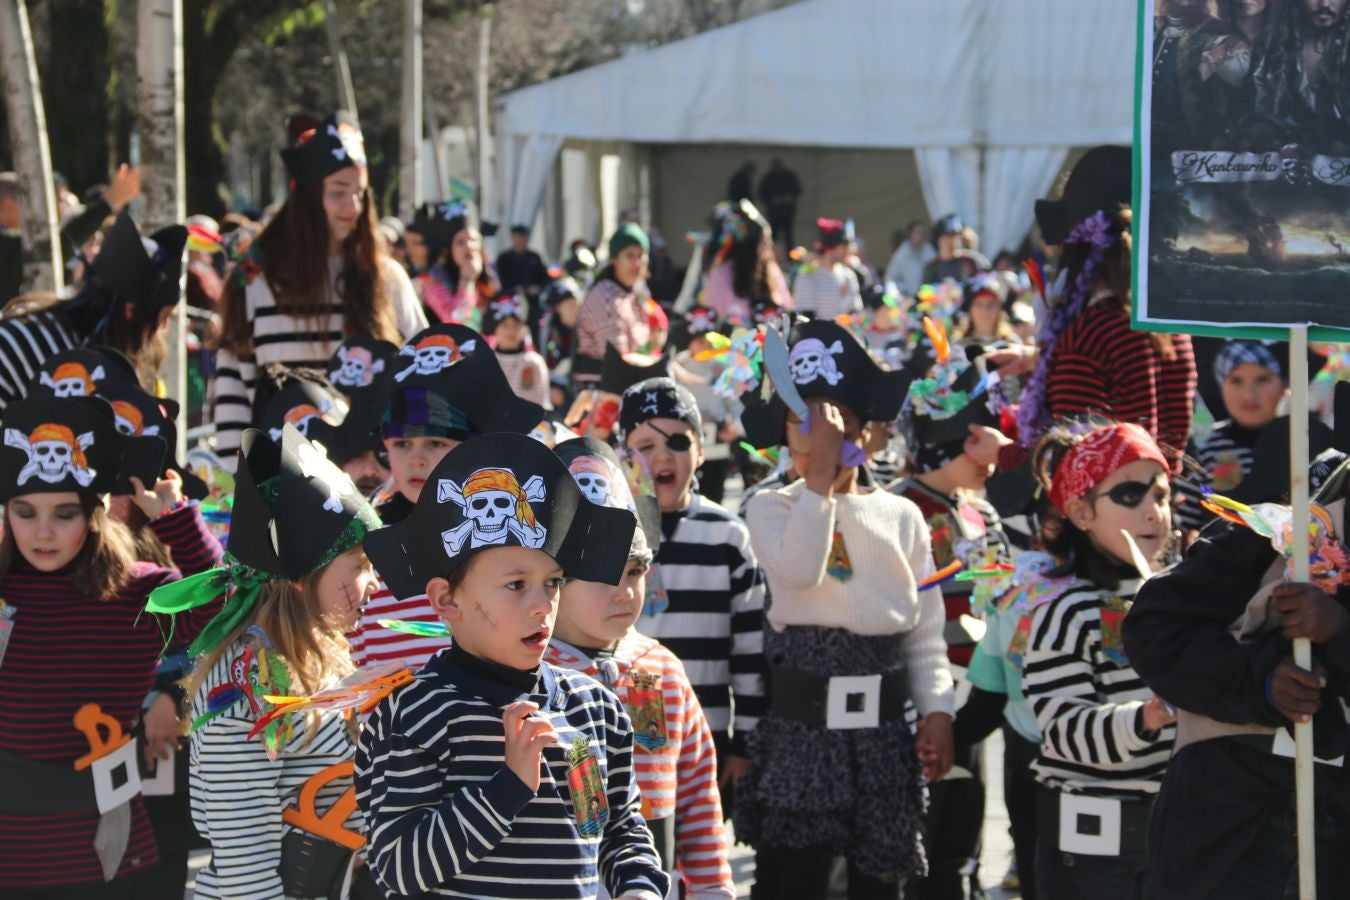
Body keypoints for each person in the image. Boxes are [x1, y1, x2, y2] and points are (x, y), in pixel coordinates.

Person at [356, 432, 670, 899]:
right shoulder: (412, 717)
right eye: (516, 585)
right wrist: (506, 787)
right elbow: (398, 868)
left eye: (553, 583)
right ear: (447, 599)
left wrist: (639, 889)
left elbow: (621, 831)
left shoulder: (595, 709)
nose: (542, 605)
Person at [735, 320, 951, 898]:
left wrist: (937, 711)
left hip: (882, 730)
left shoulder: (901, 517)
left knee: (880, 879)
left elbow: (924, 632)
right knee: (800, 878)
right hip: (803, 730)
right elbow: (800, 570)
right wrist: (821, 483)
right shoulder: (770, 508)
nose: (816, 437)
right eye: (800, 421)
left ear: (868, 434)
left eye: (832, 423)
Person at [0, 395, 225, 895]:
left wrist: (180, 522)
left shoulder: (135, 592)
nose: (42, 532)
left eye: (64, 514)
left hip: (103, 848)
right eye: (24, 512)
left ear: (95, 512)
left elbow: (228, 609)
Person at [146, 425, 381, 899]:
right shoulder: (244, 689)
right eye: (358, 566)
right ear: (300, 574)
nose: (373, 583)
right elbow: (243, 867)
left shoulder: (315, 657)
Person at [1124, 455, 1350, 899]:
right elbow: (1155, 628)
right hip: (1227, 822)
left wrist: (1340, 631)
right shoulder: (1274, 533)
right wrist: (1262, 678)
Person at [548, 437, 736, 898]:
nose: (623, 592)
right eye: (600, 575)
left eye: (633, 572)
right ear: (552, 581)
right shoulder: (528, 676)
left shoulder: (664, 670)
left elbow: (696, 794)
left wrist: (713, 889)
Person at [211, 112, 427, 463]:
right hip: (283, 477)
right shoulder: (255, 280)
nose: (352, 207)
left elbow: (422, 376)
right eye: (339, 193)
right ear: (309, 197)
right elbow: (234, 385)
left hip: (372, 477)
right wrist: (233, 476)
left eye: (359, 194)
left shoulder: (387, 278)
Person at [1022, 419, 1178, 899]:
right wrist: (1146, 718)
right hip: (1090, 848)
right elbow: (1062, 726)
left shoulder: (1182, 601)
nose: (1153, 512)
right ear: (1081, 511)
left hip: (1172, 832)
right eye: (1130, 495)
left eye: (1161, 495)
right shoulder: (1065, 612)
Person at [890, 324, 1016, 899]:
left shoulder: (982, 512)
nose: (992, 453)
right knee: (919, 830)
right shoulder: (896, 507)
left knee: (964, 822)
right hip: (919, 695)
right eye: (977, 439)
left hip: (978, 695)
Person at [348, 325, 548, 671]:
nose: (417, 459)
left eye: (437, 443)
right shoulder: (365, 549)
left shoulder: (522, 541)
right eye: (402, 444)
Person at [618, 376, 766, 810]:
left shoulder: (728, 536)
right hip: (619, 738)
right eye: (645, 445)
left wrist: (745, 744)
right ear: (623, 454)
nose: (663, 455)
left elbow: (751, 648)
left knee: (695, 863)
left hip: (705, 738)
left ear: (700, 451)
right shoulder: (606, 530)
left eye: (679, 441)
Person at [1012, 148, 1197, 475]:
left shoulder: (1091, 336)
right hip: (1160, 509)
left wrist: (1003, 453)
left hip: (1105, 518)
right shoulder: (1168, 327)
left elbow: (1079, 465)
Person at [0, 210, 187, 409]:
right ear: (130, 311)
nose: (164, 326)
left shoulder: (89, 347)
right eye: (164, 316)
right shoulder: (41, 345)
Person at [0, 164, 142, 304]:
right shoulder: (6, 247)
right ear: (9, 205)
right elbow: (53, 248)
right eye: (27, 204)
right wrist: (109, 202)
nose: (32, 212)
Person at [574, 223, 653, 386]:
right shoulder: (606, 298)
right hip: (601, 396)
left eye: (641, 256)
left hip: (627, 385)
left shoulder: (633, 294)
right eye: (630, 256)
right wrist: (659, 365)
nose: (637, 263)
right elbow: (618, 359)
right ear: (615, 260)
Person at [702, 201, 792, 325]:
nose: (769, 245)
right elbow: (712, 313)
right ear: (751, 246)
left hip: (767, 336)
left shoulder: (770, 270)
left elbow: (786, 307)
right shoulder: (722, 273)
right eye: (764, 241)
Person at [485, 291, 550, 408]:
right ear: (495, 328)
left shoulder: (534, 362)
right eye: (504, 324)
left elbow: (542, 405)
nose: (511, 330)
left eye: (516, 324)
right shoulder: (485, 362)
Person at [792, 218, 862, 321]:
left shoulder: (849, 275)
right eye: (844, 247)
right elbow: (807, 319)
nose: (849, 251)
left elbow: (856, 312)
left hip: (846, 335)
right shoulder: (807, 277)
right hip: (819, 336)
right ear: (831, 249)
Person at [950, 272, 1019, 347]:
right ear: (970, 309)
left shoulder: (1011, 343)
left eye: (991, 304)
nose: (985, 310)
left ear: (1000, 308)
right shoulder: (959, 345)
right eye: (978, 304)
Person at [495, 224, 550, 310]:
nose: (520, 240)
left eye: (523, 237)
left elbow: (544, 277)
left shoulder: (534, 257)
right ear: (512, 238)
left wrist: (538, 287)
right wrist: (514, 288)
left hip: (533, 301)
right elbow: (500, 278)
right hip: (511, 301)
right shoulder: (504, 258)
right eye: (518, 237)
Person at [921, 214, 979, 285]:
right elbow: (926, 293)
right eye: (949, 235)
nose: (955, 239)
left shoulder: (971, 260)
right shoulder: (932, 268)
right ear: (939, 240)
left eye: (958, 234)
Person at [757, 158, 801, 248]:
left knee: (788, 236)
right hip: (774, 213)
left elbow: (797, 190)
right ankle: (772, 254)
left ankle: (790, 256)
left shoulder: (789, 176)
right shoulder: (769, 178)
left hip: (787, 212)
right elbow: (762, 194)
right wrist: (772, 200)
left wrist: (789, 198)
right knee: (774, 235)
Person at [884, 220, 935, 295]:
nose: (921, 235)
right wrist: (905, 289)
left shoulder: (927, 248)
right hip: (913, 296)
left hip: (931, 291)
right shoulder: (901, 254)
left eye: (922, 232)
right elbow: (889, 279)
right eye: (918, 232)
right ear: (910, 234)